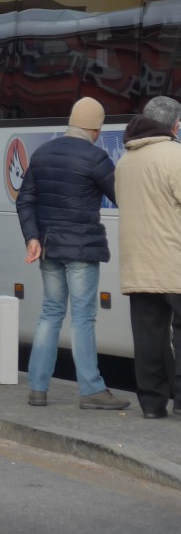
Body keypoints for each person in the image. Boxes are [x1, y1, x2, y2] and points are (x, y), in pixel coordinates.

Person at [16, 96, 129, 410]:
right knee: (82, 318)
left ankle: (38, 388)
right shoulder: (95, 157)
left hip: (49, 248)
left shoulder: (43, 153)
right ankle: (91, 389)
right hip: (80, 249)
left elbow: (24, 200)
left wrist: (32, 237)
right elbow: (121, 195)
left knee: (50, 314)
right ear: (95, 128)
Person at [113, 95, 181, 419]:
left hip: (137, 262)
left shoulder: (125, 161)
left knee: (148, 335)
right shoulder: (175, 156)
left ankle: (153, 404)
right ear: (174, 124)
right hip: (173, 259)